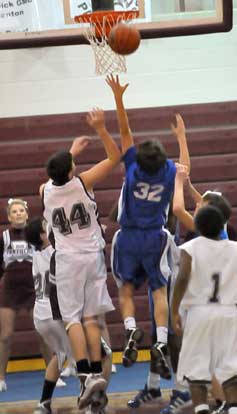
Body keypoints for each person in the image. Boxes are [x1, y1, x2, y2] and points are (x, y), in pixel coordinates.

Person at [106, 74, 190, 377]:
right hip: (156, 237)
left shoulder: (132, 168)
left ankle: (130, 331)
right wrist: (181, 137)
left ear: (138, 159)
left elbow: (124, 131)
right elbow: (185, 169)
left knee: (126, 290)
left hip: (128, 237)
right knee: (158, 290)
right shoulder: (168, 171)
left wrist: (118, 98)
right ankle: (162, 341)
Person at [40, 108, 120, 410]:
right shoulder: (84, 182)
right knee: (90, 318)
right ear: (73, 169)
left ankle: (86, 374)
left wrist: (69, 155)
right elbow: (114, 157)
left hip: (68, 261)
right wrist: (100, 128)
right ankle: (96, 374)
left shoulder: (45, 191)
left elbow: (53, 178)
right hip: (94, 258)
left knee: (71, 318)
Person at [171, 204, 237, 414]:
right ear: (221, 227)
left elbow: (182, 277)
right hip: (229, 311)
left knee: (196, 370)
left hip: (200, 313)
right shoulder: (235, 248)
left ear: (197, 226)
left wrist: (174, 310)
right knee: (230, 368)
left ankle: (201, 409)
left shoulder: (191, 248)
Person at [0, 198, 52, 392]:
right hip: (10, 290)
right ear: (8, 216)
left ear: (27, 214)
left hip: (33, 289)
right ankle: (1, 378)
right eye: (14, 212)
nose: (18, 214)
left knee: (42, 333)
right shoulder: (4, 237)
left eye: (21, 210)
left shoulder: (35, 236)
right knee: (5, 336)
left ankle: (51, 373)